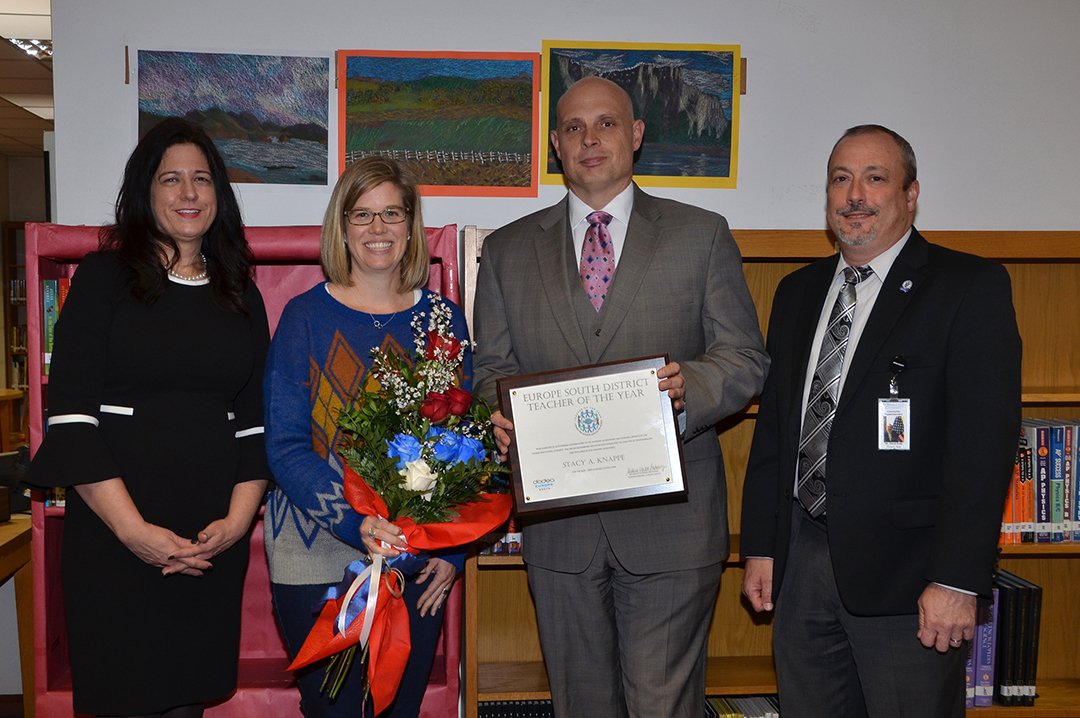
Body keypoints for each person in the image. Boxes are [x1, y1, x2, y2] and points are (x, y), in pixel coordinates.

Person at [472, 76, 769, 716]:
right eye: (573, 127)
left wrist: (691, 388)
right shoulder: (505, 251)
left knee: (662, 705)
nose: (590, 139)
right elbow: (491, 369)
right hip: (560, 530)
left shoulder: (701, 235)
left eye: (606, 123)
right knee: (580, 706)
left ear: (635, 135)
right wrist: (498, 414)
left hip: (673, 527)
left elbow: (745, 358)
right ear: (556, 144)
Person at [740, 125, 1022, 717]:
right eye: (840, 179)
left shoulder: (968, 287)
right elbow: (775, 434)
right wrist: (762, 546)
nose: (855, 196)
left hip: (910, 579)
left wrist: (956, 580)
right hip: (801, 563)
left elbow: (983, 449)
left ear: (910, 194)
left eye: (875, 178)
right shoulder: (796, 292)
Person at [28, 118, 271, 717]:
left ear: (219, 193)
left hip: (209, 540)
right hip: (116, 535)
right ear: (145, 190)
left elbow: (254, 422)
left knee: (189, 699)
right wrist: (135, 533)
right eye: (170, 179)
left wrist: (237, 522)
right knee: (126, 697)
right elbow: (72, 420)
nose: (188, 193)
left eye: (201, 179)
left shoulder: (240, 290)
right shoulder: (103, 278)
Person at [264, 156, 467, 717]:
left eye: (392, 213)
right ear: (343, 226)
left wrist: (453, 550)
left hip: (416, 558)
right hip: (314, 552)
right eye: (362, 214)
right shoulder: (304, 318)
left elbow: (463, 443)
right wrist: (355, 522)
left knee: (398, 709)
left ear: (411, 224)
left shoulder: (443, 321)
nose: (378, 228)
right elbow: (284, 445)